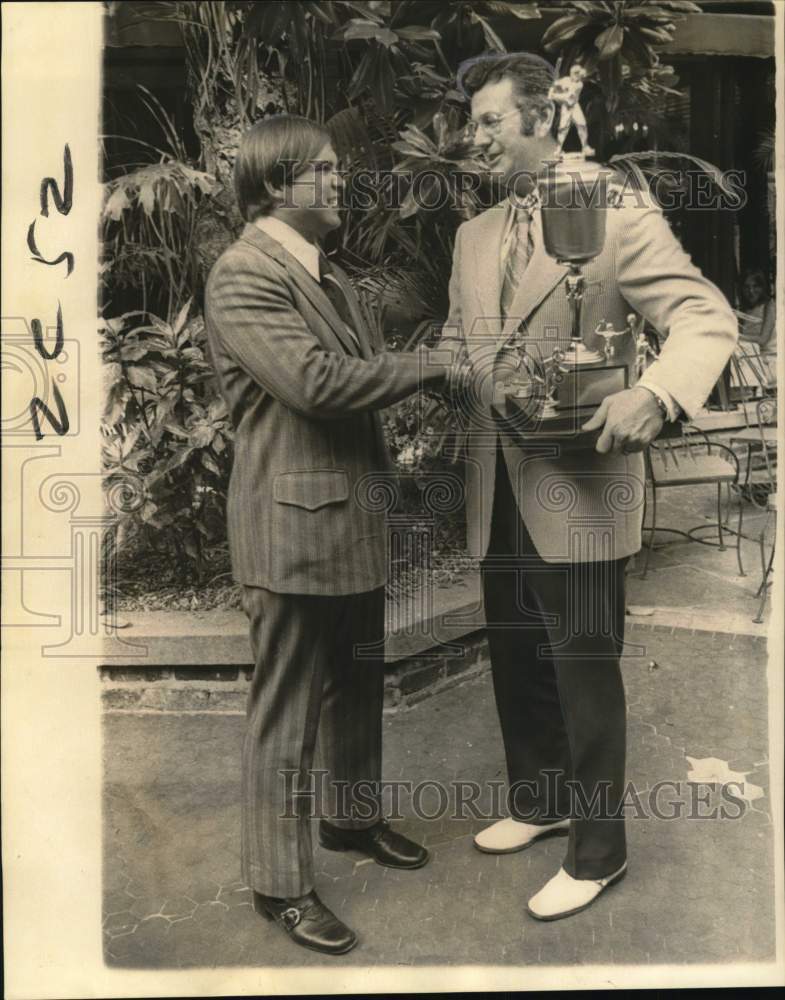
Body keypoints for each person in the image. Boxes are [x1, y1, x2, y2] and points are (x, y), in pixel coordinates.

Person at [442, 53, 737, 921]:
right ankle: (538, 801)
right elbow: (460, 336)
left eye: (491, 120)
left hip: (582, 478)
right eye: (473, 123)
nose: (475, 136)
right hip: (495, 475)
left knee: (581, 664)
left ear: (542, 118)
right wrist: (479, 375)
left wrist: (654, 394)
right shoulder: (472, 234)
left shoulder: (613, 212)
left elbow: (701, 315)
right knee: (511, 646)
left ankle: (598, 849)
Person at [205, 115, 458, 955]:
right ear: (276, 184)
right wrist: (436, 363)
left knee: (355, 682)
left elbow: (361, 382)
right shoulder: (244, 275)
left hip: (348, 521)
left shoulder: (330, 277)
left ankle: (348, 822)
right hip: (289, 532)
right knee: (287, 709)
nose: (339, 181)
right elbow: (315, 383)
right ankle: (279, 885)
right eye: (323, 170)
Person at [737, 268, 776, 387]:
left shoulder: (769, 306)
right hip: (754, 360)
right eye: (746, 287)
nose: (751, 291)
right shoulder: (744, 311)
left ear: (763, 288)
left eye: (755, 286)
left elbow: (763, 339)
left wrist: (736, 336)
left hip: (771, 361)